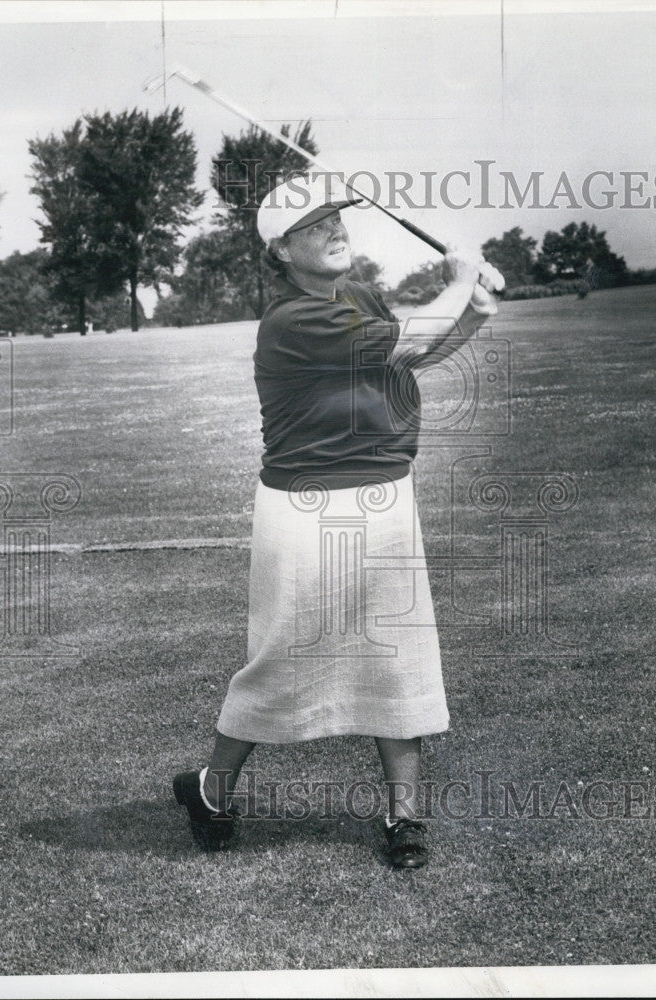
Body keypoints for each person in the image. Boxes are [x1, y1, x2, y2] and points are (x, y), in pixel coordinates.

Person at [173, 174, 504, 868]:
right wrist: (461, 275)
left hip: (386, 496)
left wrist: (471, 310)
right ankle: (211, 789)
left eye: (336, 218)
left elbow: (419, 350)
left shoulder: (357, 297)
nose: (334, 229)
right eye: (315, 225)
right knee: (281, 662)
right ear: (283, 254)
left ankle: (402, 817)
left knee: (396, 656)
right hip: (305, 509)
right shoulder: (292, 319)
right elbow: (408, 341)